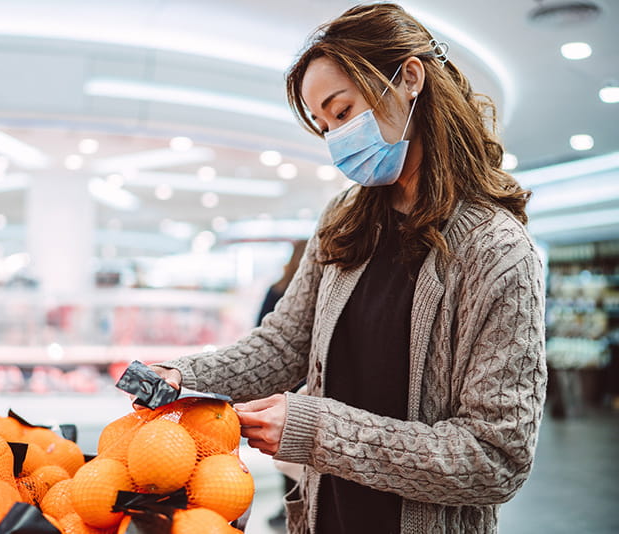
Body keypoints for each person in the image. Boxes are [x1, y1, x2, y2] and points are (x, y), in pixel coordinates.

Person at [151, 3, 547, 533]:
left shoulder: (495, 251)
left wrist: (316, 430)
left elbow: (496, 458)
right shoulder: (345, 220)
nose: (335, 137)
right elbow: (285, 344)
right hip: (326, 515)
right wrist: (184, 377)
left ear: (409, 77)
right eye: (323, 125)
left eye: (342, 111)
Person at [256, 240, 308, 531]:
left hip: (281, 382)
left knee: (282, 444)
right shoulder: (308, 289)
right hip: (307, 380)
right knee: (297, 444)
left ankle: (286, 502)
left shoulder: (276, 289)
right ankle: (299, 499)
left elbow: (264, 333)